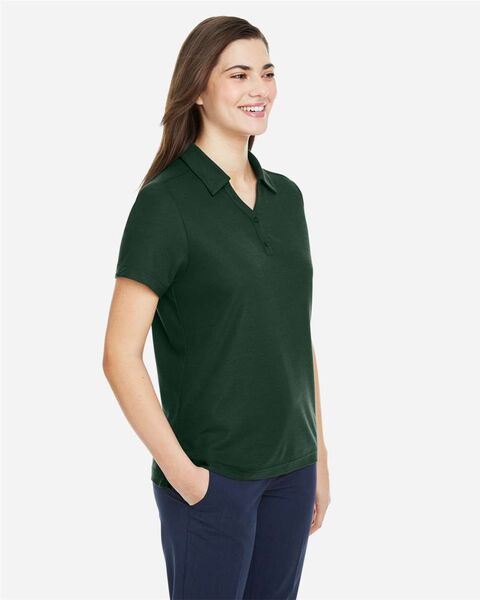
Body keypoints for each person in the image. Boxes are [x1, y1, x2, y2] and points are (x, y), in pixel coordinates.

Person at [103, 15, 330, 600]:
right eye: (239, 74)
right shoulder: (165, 203)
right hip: (212, 479)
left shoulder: (287, 198)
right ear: (199, 87)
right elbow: (119, 355)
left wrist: (318, 456)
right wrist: (186, 477)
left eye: (267, 73)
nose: (259, 88)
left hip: (292, 471)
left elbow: (293, 333)